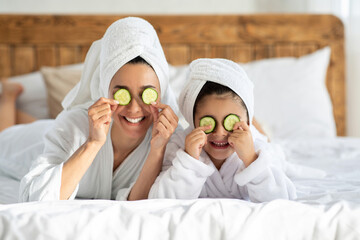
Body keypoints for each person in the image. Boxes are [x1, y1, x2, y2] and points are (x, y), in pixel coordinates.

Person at [0, 17, 180, 202]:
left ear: (161, 93)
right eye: (121, 94)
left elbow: (138, 204)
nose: (134, 108)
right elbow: (35, 199)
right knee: (3, 137)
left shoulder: (170, 139)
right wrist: (92, 143)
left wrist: (157, 151)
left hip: (52, 127)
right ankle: (8, 98)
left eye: (146, 94)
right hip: (35, 142)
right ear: (105, 90)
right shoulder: (73, 126)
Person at [148, 58, 297, 202]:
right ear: (193, 122)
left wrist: (251, 159)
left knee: (267, 140)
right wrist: (190, 160)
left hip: (258, 137)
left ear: (246, 122)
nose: (219, 133)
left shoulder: (256, 147)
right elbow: (160, 200)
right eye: (208, 121)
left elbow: (281, 199)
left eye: (230, 121)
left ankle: (257, 125)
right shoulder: (179, 147)